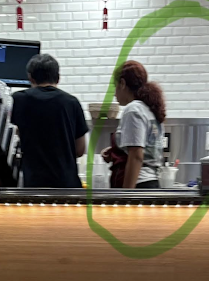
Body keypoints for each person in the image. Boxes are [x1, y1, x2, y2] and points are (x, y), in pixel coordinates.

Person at [11, 54, 88, 188]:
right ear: (58, 78)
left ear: (30, 77)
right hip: (67, 185)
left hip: (35, 185)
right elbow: (80, 150)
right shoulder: (72, 102)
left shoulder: (18, 100)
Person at [102, 61, 166, 189]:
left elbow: (136, 156)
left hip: (139, 184)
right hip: (150, 182)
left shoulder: (133, 109)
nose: (114, 94)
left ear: (122, 83)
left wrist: (127, 195)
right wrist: (117, 150)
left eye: (115, 86)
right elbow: (143, 147)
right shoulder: (149, 109)